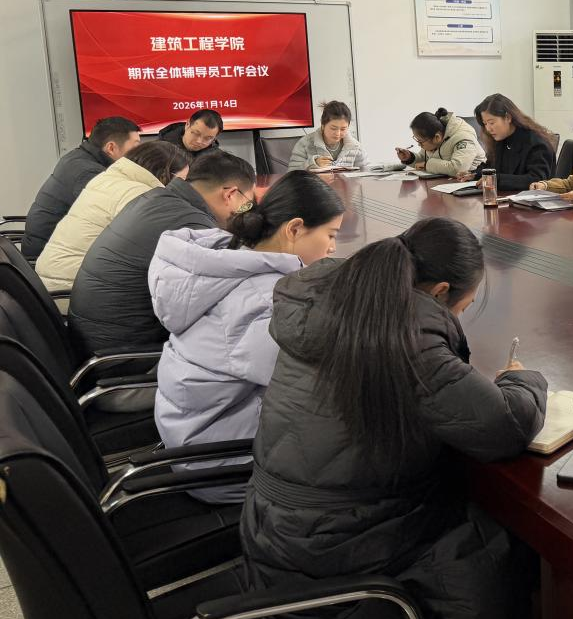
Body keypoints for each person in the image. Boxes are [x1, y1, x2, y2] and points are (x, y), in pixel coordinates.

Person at [239, 217, 548, 619]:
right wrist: (521, 380)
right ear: (440, 291)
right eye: (463, 307)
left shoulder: (336, 301)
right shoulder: (407, 338)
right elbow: (505, 426)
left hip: (272, 539)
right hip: (337, 572)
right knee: (508, 545)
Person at [151, 171, 345, 503]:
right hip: (222, 462)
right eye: (330, 234)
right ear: (294, 229)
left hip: (193, 432)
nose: (333, 247)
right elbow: (314, 381)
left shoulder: (229, 256)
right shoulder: (263, 299)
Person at [69, 151, 256, 357]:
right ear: (230, 194)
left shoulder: (156, 198)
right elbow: (217, 305)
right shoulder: (193, 225)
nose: (244, 212)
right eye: (247, 204)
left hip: (92, 341)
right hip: (124, 357)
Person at [35, 141, 190, 293]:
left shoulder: (107, 179)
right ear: (164, 175)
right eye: (182, 181)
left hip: (49, 284)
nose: (182, 189)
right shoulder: (140, 194)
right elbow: (156, 250)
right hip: (74, 290)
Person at [21, 116, 141, 260]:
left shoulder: (79, 157)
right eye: (136, 147)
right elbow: (115, 217)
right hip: (52, 255)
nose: (140, 153)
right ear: (111, 148)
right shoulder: (89, 173)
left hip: (48, 246)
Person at [460, 93, 556, 191]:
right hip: (505, 197)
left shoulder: (536, 142)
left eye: (491, 123)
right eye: (485, 124)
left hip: (531, 199)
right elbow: (491, 166)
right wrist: (475, 174)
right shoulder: (501, 139)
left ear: (508, 118)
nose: (488, 129)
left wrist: (496, 180)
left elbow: (536, 180)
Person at [394, 107, 486, 178]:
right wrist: (410, 158)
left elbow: (458, 169)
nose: (419, 144)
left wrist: (427, 165)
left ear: (437, 137)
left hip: (472, 185)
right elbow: (423, 160)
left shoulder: (464, 138)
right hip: (446, 182)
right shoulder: (434, 137)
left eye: (421, 141)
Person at [287, 100, 366, 171]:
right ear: (323, 125)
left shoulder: (355, 146)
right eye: (333, 128)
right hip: (315, 183)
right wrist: (313, 164)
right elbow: (291, 174)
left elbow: (367, 171)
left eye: (343, 129)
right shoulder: (305, 143)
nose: (338, 133)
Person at [157, 109, 223, 159]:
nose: (199, 141)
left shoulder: (216, 158)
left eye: (207, 138)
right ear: (187, 124)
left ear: (215, 138)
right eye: (196, 133)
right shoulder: (160, 150)